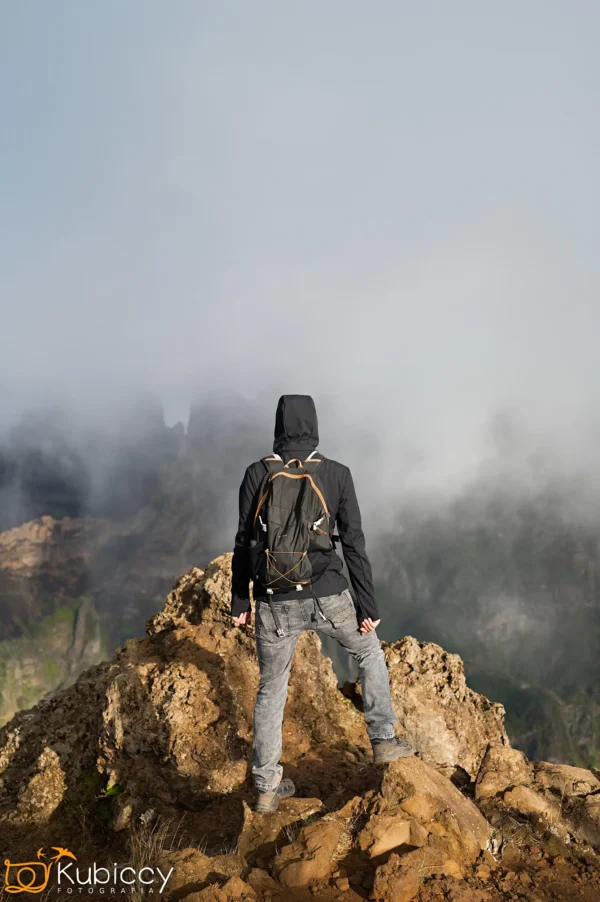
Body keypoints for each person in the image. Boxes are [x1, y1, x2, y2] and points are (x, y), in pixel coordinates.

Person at [230, 394, 413, 812]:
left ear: (278, 426)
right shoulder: (336, 474)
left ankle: (265, 785)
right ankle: (383, 740)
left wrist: (241, 599)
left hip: (275, 602)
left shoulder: (256, 473)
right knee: (368, 652)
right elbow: (353, 543)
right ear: (314, 425)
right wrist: (367, 605)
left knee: (271, 689)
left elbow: (244, 541)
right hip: (330, 594)